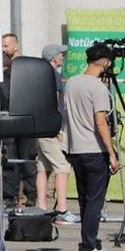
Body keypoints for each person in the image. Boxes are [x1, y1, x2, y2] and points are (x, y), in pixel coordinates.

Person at [63, 42, 120, 251]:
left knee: (85, 199)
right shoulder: (97, 87)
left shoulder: (73, 82)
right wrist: (112, 153)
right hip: (94, 149)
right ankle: (87, 248)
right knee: (95, 201)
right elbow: (101, 123)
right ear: (105, 63)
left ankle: (91, 242)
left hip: (75, 148)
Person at [34, 44, 72, 222]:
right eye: (61, 55)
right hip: (50, 129)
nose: (62, 57)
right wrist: (56, 126)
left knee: (43, 168)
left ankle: (41, 207)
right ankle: (62, 210)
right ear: (54, 58)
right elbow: (54, 102)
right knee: (62, 166)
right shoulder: (54, 75)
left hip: (40, 127)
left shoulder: (39, 75)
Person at [0, 32, 37, 210]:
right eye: (1, 45)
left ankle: (30, 195)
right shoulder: (2, 69)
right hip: (8, 118)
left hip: (25, 119)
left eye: (6, 45)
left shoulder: (25, 67)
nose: (3, 49)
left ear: (15, 46)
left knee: (27, 158)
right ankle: (10, 196)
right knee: (10, 159)